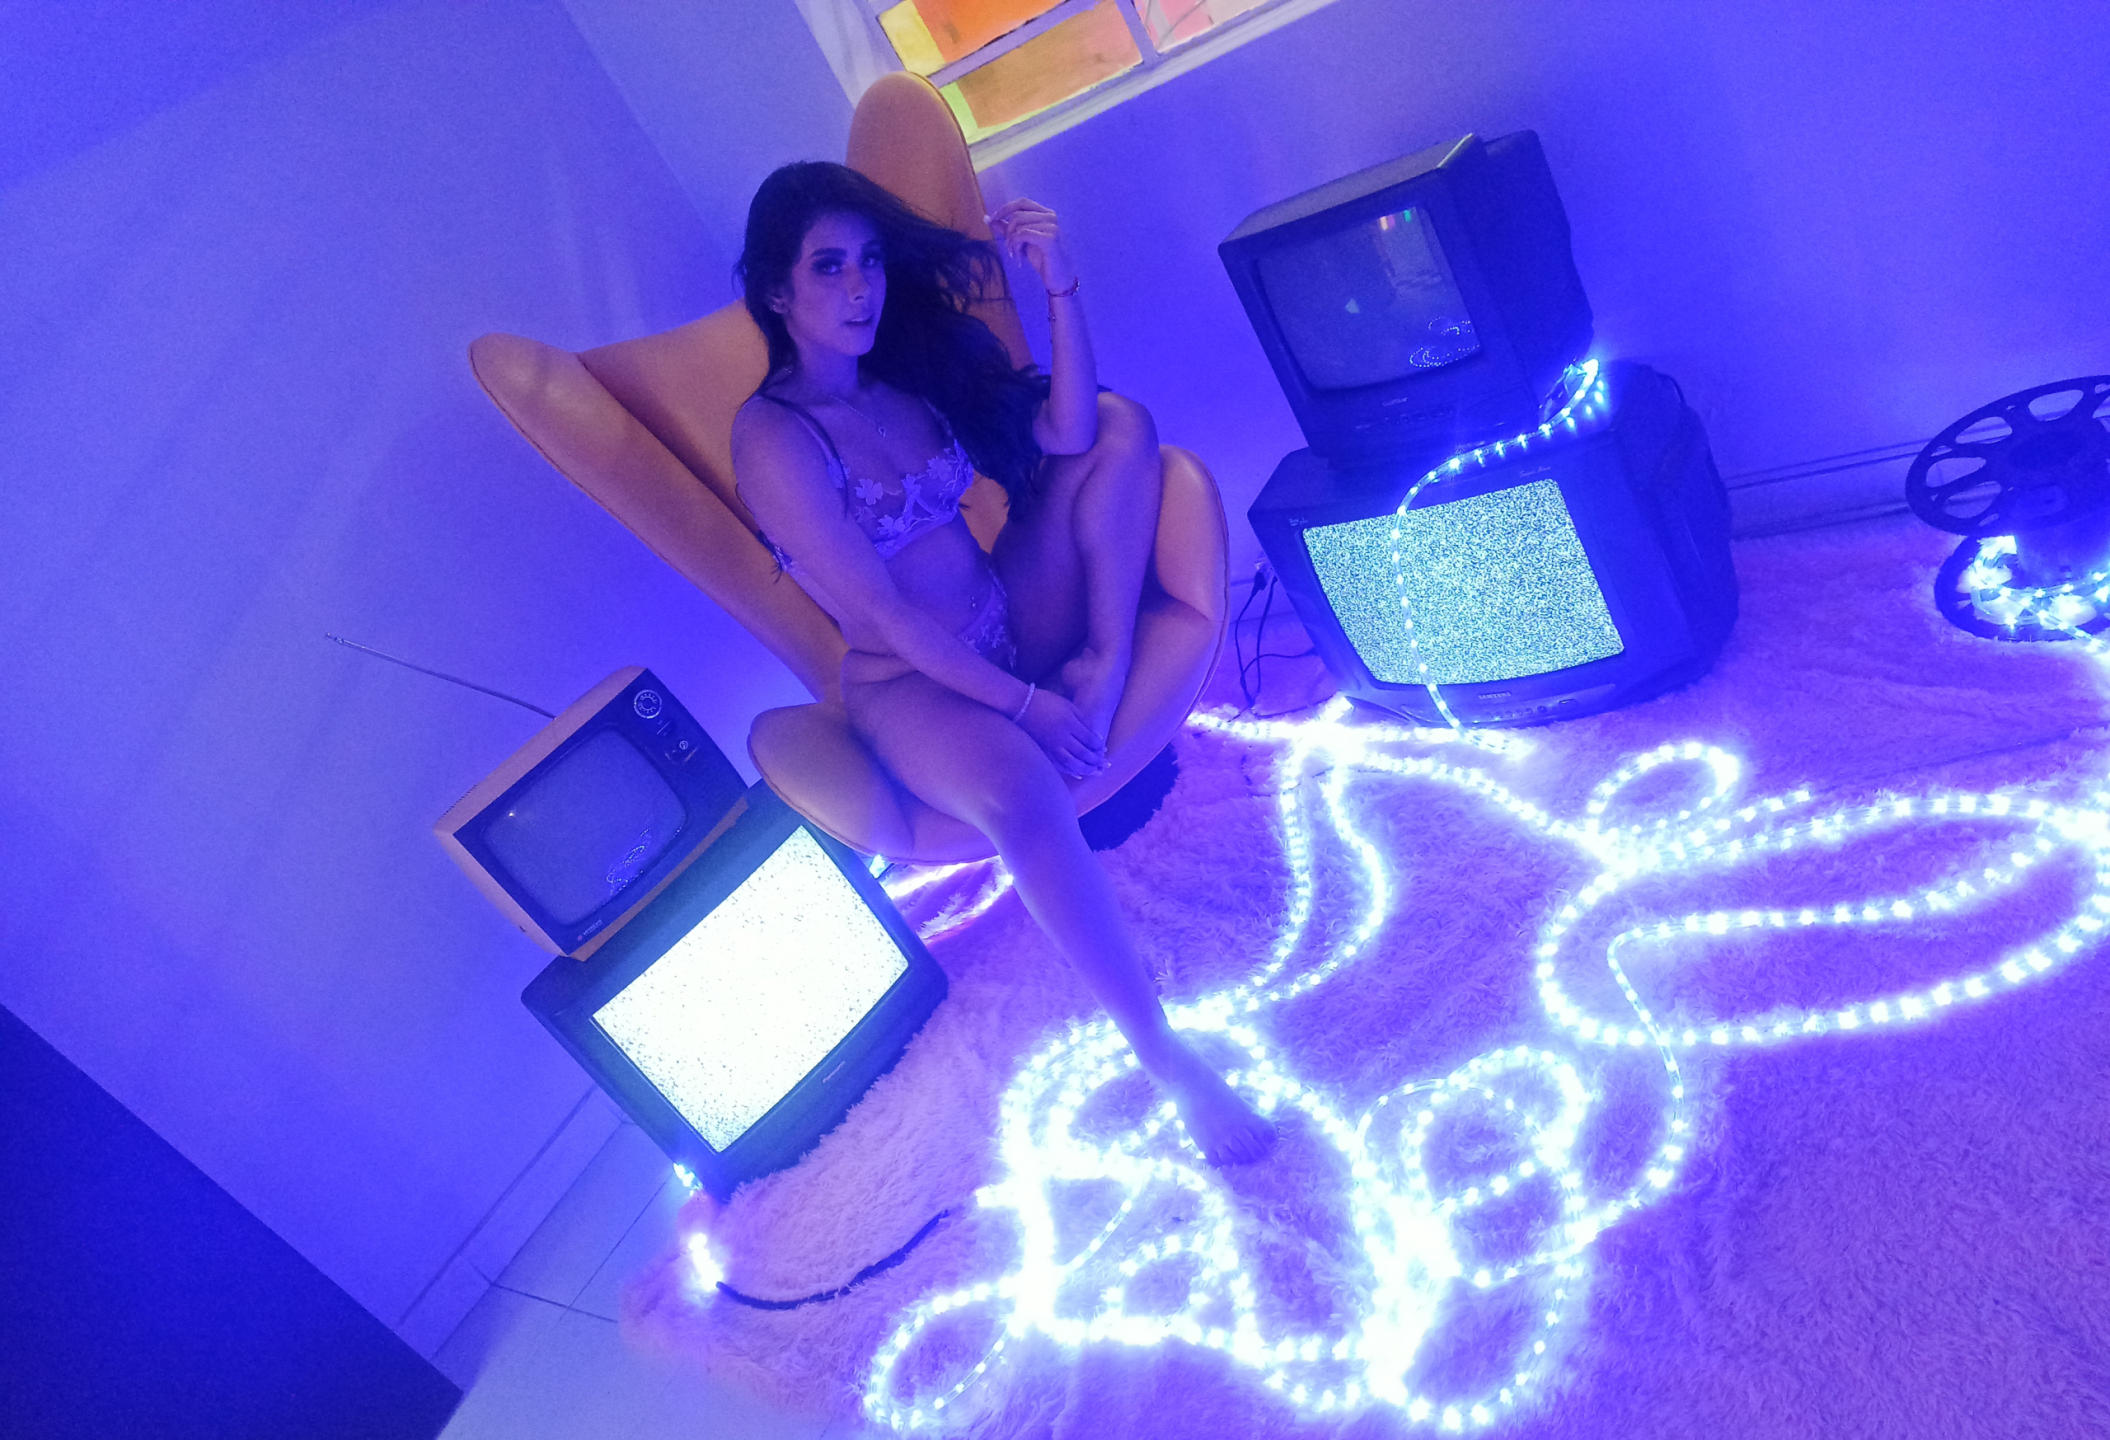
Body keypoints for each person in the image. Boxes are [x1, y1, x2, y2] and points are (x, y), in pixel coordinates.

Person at [729, 161, 1273, 1167]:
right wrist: (1025, 706)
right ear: (776, 290)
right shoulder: (772, 437)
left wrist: (1060, 284)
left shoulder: (898, 375)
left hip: (1003, 619)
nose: (860, 288)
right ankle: (1167, 1057)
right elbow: (885, 616)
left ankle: (1105, 656)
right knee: (1024, 797)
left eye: (870, 262)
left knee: (1122, 426)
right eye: (828, 267)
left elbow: (1072, 432)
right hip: (908, 686)